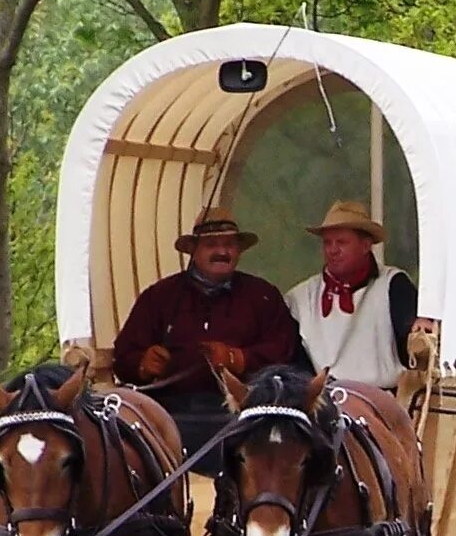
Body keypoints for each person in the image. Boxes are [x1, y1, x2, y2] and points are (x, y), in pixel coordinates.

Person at [112, 207, 300, 468]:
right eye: (211, 244)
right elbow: (122, 357)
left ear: (239, 251)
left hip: (244, 415)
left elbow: (286, 351)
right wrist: (143, 364)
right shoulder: (160, 297)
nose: (222, 252)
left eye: (229, 245)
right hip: (170, 413)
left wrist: (239, 359)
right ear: (194, 252)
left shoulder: (262, 295)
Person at [284, 200, 418, 390]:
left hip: (384, 403)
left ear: (366, 246)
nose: (332, 250)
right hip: (323, 404)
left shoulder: (392, 284)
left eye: (341, 242)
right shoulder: (300, 298)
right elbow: (295, 364)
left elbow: (413, 340)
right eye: (327, 243)